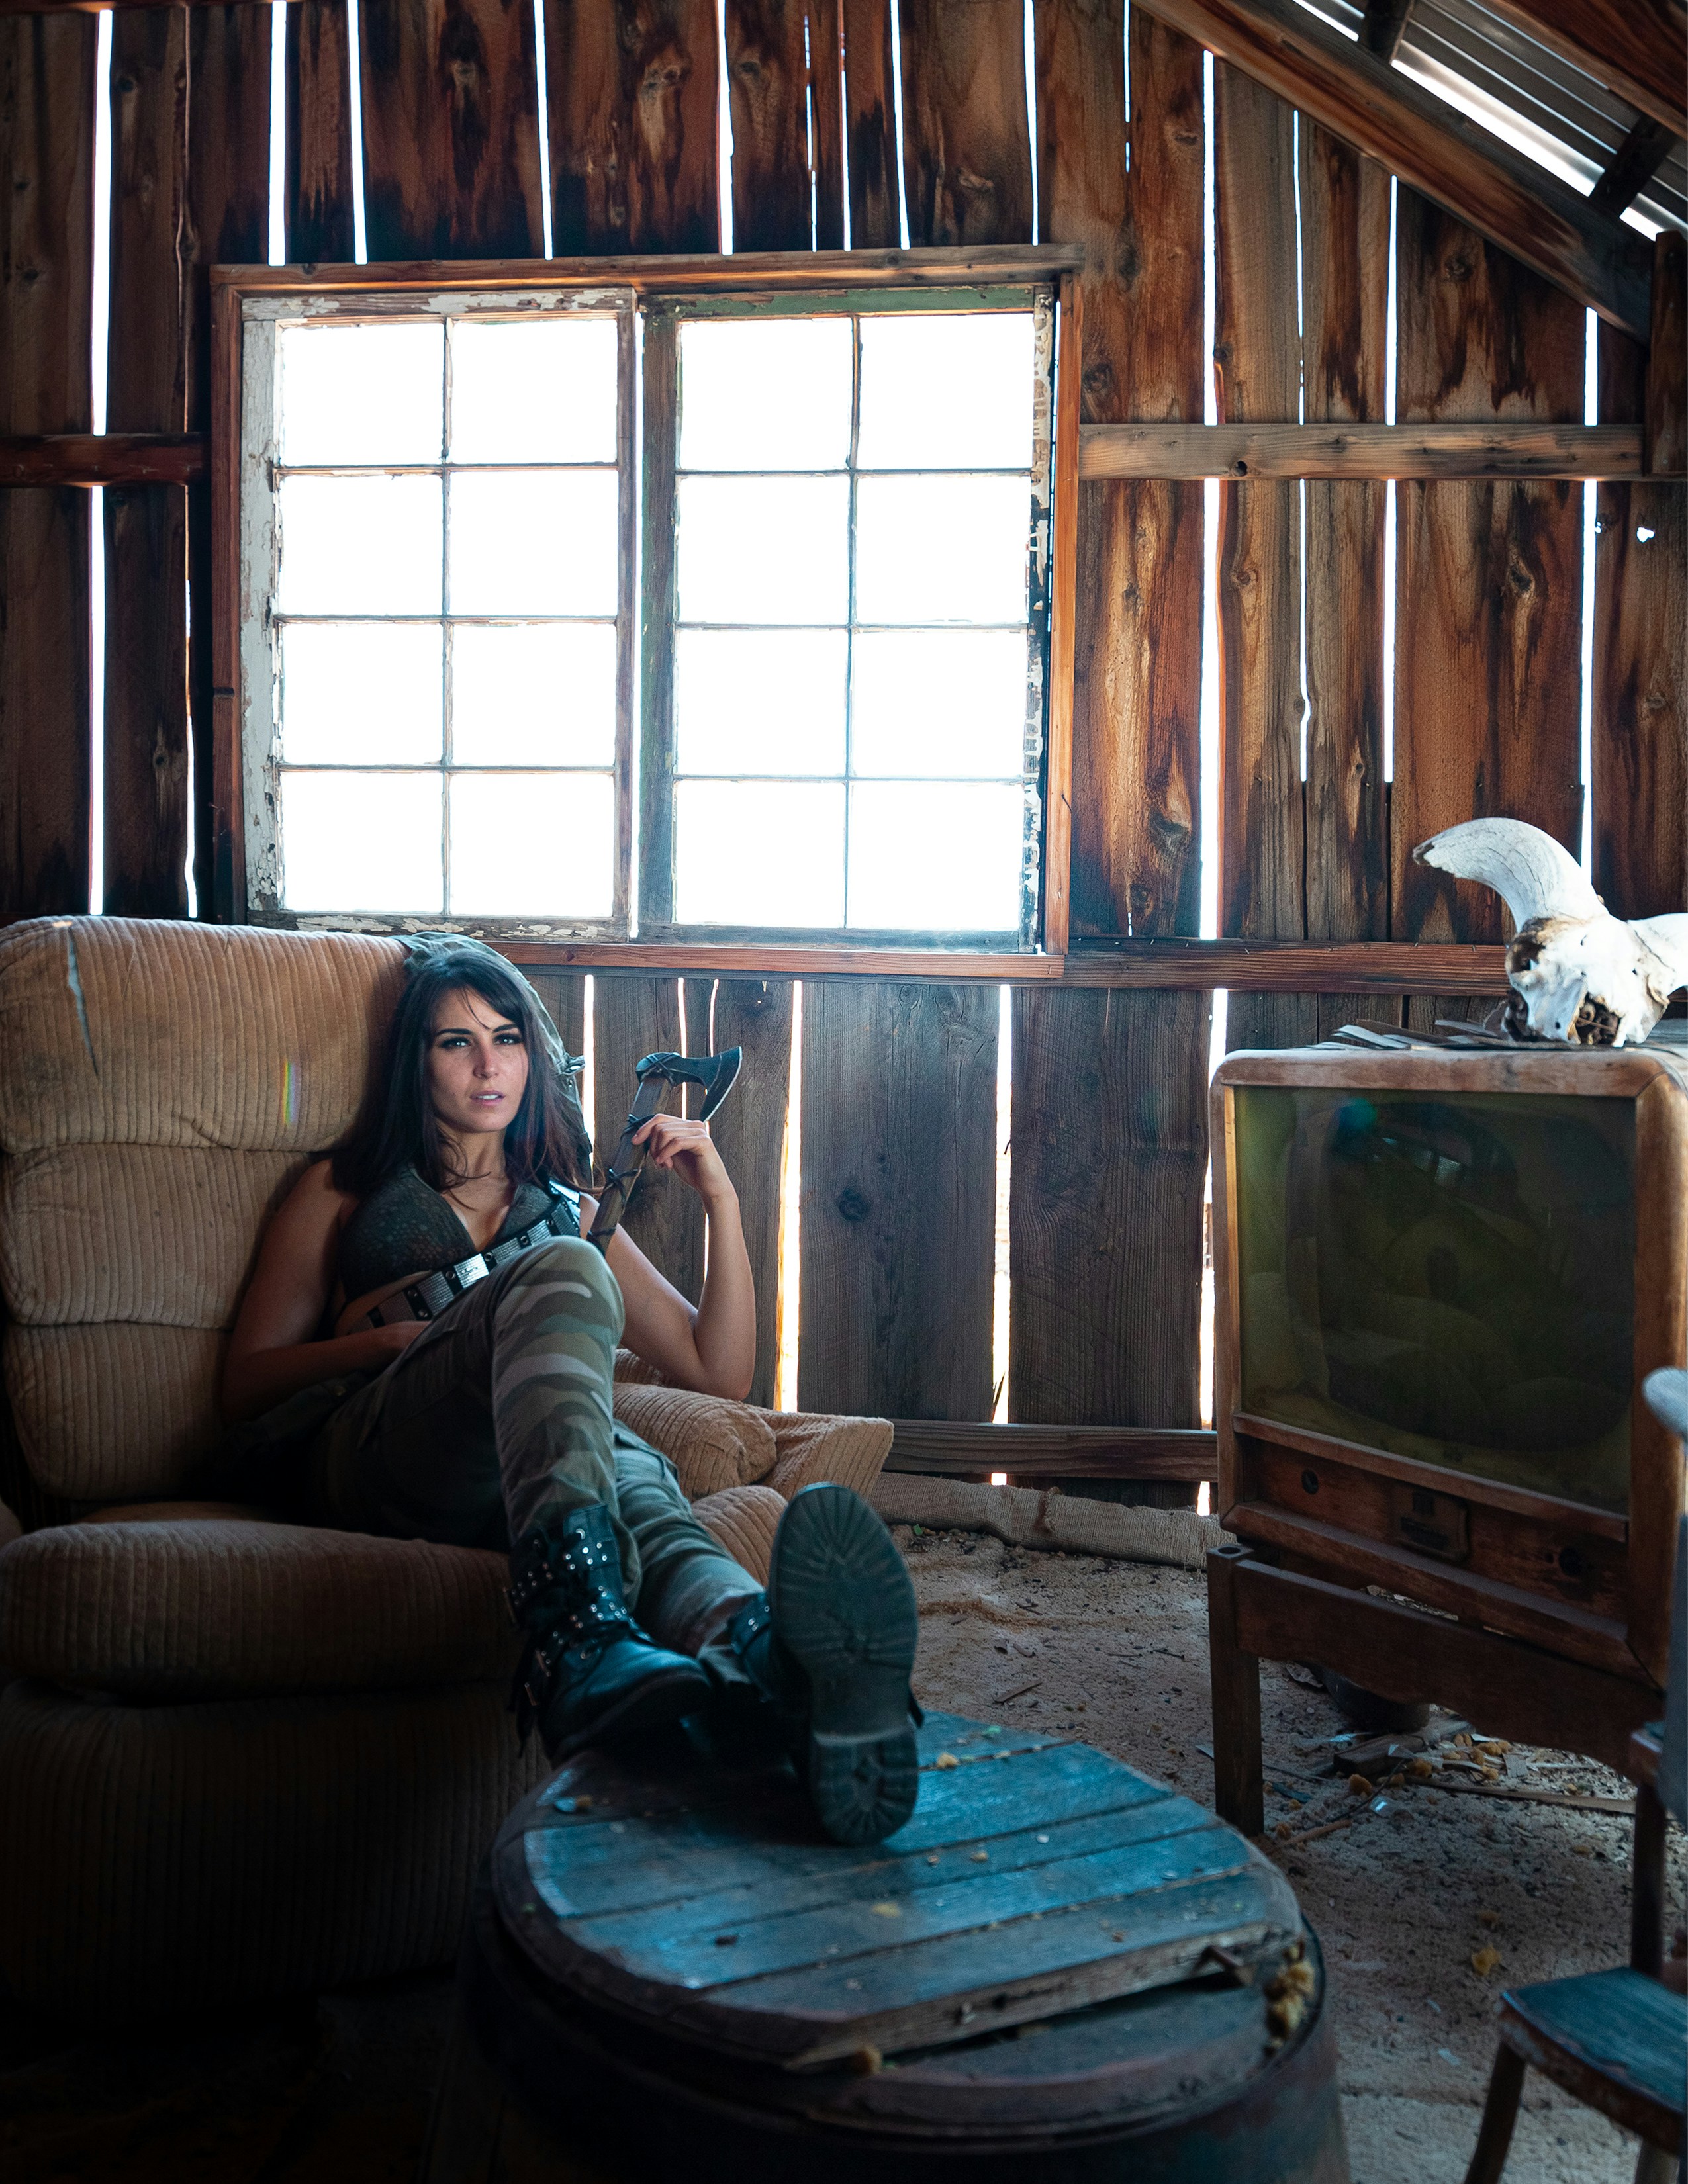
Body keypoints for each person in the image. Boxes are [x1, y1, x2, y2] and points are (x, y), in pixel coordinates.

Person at [218, 936, 920, 1846]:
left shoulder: (569, 1210)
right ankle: (582, 1633)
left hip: (517, 1471)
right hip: (377, 1456)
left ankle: (759, 1648)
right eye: (456, 1042)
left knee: (619, 1468)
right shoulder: (342, 1190)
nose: (488, 1066)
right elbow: (245, 1385)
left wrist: (722, 1200)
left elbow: (718, 1375)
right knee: (568, 1278)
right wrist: (384, 1343)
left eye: (507, 1038)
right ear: (414, 1062)